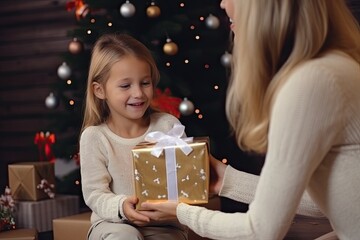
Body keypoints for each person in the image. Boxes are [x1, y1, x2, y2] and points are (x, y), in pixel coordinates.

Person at [140, 0, 360, 239]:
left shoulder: (312, 82)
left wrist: (184, 213)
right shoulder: (334, 67)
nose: (223, 3)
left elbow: (260, 231)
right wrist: (228, 180)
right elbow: (327, 202)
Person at [79, 33, 188, 240]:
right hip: (111, 224)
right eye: (125, 86)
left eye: (145, 83)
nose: (138, 93)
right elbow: (94, 194)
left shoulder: (167, 126)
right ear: (100, 90)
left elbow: (185, 176)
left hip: (163, 225)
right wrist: (121, 207)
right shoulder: (94, 137)